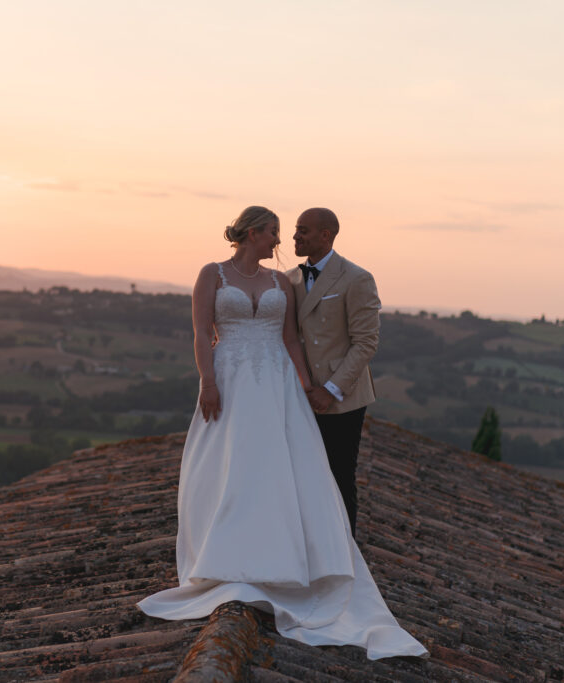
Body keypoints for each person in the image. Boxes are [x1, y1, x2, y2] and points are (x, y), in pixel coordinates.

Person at [137, 206, 426, 660]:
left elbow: (292, 340)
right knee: (228, 468)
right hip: (230, 380)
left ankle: (309, 562)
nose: (283, 238)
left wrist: (309, 388)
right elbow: (199, 333)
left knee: (284, 471)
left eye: (295, 231)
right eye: (276, 231)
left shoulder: (281, 284)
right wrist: (207, 382)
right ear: (252, 232)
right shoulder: (212, 274)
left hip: (279, 385)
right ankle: (224, 558)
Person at [291, 208, 379, 538]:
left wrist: (330, 389)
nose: (295, 237)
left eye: (303, 231)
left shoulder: (357, 278)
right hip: (299, 394)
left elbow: (366, 342)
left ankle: (343, 555)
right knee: (301, 475)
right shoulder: (290, 278)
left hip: (342, 397)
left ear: (325, 235)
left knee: (339, 476)